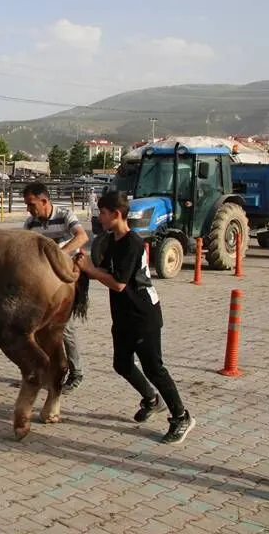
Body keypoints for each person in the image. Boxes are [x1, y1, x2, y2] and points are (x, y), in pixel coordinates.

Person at [74, 190, 196, 444]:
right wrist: (84, 266)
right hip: (122, 316)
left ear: (117, 214)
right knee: (122, 364)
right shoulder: (111, 240)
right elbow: (103, 269)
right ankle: (151, 399)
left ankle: (181, 416)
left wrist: (91, 270)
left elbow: (118, 283)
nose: (100, 217)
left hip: (143, 315)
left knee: (154, 368)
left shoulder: (132, 243)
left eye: (103, 213)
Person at [21, 182, 89, 393]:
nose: (29, 209)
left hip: (66, 279)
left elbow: (82, 236)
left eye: (32, 204)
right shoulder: (30, 224)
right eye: (27, 205)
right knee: (38, 328)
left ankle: (76, 373)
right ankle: (42, 372)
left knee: (65, 328)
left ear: (44, 201)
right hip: (43, 283)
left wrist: (59, 255)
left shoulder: (64, 215)